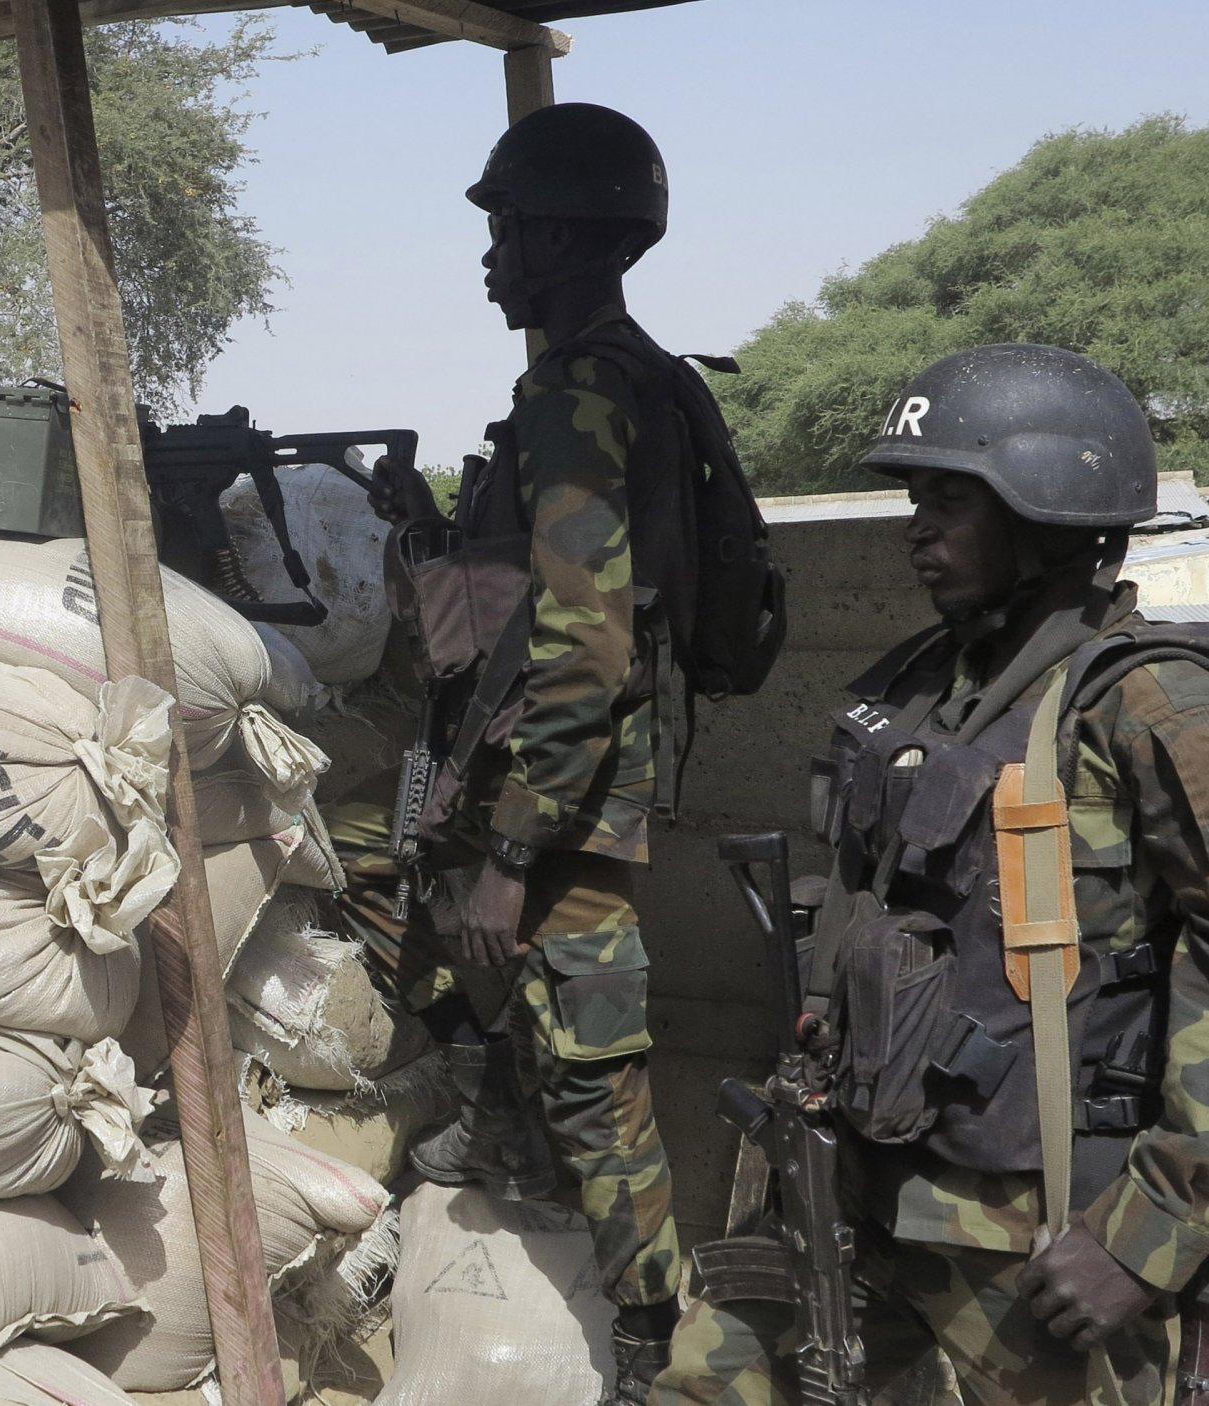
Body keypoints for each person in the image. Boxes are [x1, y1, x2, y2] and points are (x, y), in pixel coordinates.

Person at [655, 343, 1209, 1405]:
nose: (917, 528)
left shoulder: (1158, 706)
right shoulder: (920, 688)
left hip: (1034, 1230)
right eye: (916, 496)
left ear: (1049, 515)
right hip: (847, 1175)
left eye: (951, 498)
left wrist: (1147, 1233)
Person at [356, 101, 716, 1406]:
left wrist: (513, 852)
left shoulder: (578, 393)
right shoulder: (622, 381)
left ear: (572, 235)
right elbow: (541, 601)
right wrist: (438, 525)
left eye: (511, 223)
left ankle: (645, 1348)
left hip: (559, 801)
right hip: (557, 783)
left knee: (591, 1079)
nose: (492, 247)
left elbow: (585, 645)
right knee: (504, 1031)